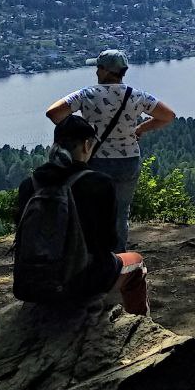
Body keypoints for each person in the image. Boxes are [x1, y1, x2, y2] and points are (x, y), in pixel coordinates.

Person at [15, 115, 149, 314]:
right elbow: (109, 243)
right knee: (136, 263)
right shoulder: (100, 183)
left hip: (31, 283)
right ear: (87, 145)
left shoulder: (30, 184)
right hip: (81, 282)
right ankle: (138, 327)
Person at [46, 49, 175, 252]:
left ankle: (91, 254)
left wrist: (83, 128)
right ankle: (117, 257)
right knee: (121, 212)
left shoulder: (86, 94)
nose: (96, 72)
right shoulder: (136, 95)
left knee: (92, 209)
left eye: (98, 68)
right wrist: (141, 128)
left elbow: (53, 113)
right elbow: (168, 115)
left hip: (95, 160)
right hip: (128, 160)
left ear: (106, 71)